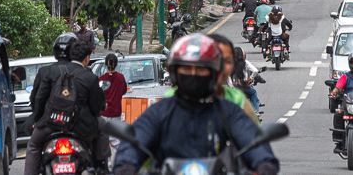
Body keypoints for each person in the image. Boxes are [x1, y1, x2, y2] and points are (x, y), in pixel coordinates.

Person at [113, 35, 278, 175]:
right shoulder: (160, 111)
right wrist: (125, 165)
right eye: (186, 69)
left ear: (214, 73)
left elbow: (249, 137)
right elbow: (138, 138)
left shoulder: (228, 111)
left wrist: (263, 162)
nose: (193, 75)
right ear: (174, 73)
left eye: (201, 70)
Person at [25, 35, 105, 175]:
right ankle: (101, 166)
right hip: (81, 127)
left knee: (33, 145)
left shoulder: (49, 71)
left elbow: (38, 99)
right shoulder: (88, 75)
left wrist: (38, 119)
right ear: (86, 57)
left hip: (51, 122)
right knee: (102, 128)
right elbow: (97, 107)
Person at [231, 46, 263, 115]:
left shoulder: (230, 63)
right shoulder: (245, 62)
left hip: (233, 88)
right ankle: (255, 111)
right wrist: (251, 78)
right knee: (253, 93)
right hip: (244, 86)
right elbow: (255, 71)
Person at [99, 54, 128, 122]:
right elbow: (124, 91)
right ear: (116, 64)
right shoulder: (121, 77)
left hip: (104, 113)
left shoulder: (101, 79)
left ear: (106, 64)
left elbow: (98, 95)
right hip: (116, 112)